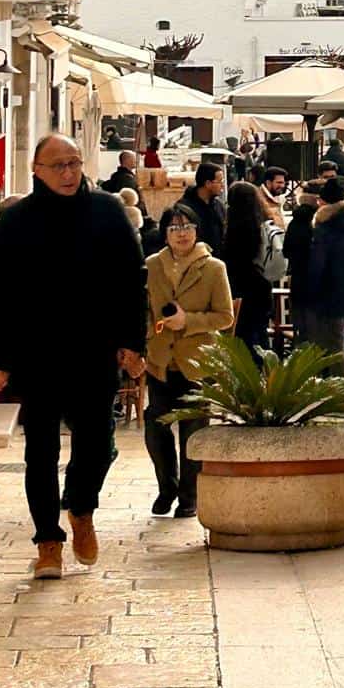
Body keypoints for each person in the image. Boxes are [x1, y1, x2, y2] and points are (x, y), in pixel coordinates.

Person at [0, 135, 146, 582]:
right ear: (37, 170)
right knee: (41, 450)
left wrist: (133, 342)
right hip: (37, 354)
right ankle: (47, 541)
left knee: (96, 443)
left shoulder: (108, 210)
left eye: (74, 163)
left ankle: (82, 507)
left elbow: (133, 279)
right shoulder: (15, 220)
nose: (69, 173)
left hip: (93, 350)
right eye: (58, 166)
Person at [143, 204, 234, 519]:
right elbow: (146, 309)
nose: (181, 233)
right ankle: (165, 487)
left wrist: (189, 322)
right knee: (156, 425)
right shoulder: (153, 265)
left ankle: (189, 495)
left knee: (194, 429)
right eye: (174, 228)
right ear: (165, 234)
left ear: (197, 231)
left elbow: (225, 317)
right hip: (160, 358)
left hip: (197, 360)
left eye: (187, 227)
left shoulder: (213, 268)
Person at [304, 176, 344, 364]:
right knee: (341, 341)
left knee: (333, 347)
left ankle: (342, 389)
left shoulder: (325, 227)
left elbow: (317, 265)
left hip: (328, 293)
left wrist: (310, 292)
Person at [222, 180, 286, 355]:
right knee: (260, 337)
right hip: (261, 286)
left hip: (239, 291)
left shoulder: (232, 231)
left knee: (243, 341)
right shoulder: (263, 225)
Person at [284, 180, 324, 344]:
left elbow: (287, 250)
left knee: (301, 331)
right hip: (317, 285)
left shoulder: (295, 221)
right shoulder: (320, 224)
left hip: (298, 281)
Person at [177, 160, 227, 254]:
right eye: (220, 181)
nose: (222, 185)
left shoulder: (218, 205)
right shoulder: (185, 208)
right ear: (208, 183)